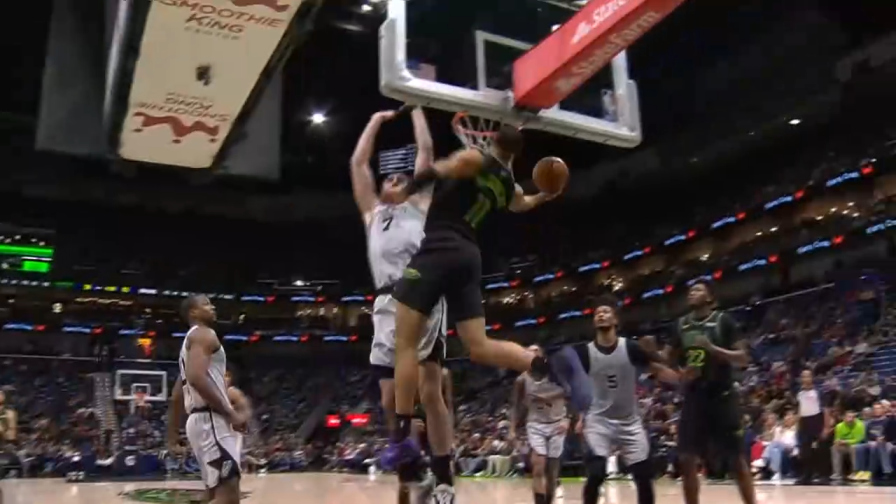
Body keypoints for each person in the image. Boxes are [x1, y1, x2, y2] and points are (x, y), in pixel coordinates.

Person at [386, 117, 587, 502]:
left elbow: (440, 168)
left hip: (439, 245)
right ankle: (540, 363)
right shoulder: (508, 184)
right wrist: (545, 195)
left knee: (406, 343)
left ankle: (401, 436)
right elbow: (523, 204)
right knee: (477, 345)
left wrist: (406, 189)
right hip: (469, 256)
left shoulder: (476, 158)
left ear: (491, 139)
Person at [350, 105, 455, 504]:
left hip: (420, 294)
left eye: (401, 177)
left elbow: (425, 151)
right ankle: (417, 470)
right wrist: (375, 121)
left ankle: (444, 477)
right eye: (388, 177)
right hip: (385, 304)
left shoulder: (419, 206)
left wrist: (415, 109)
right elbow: (358, 164)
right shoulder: (372, 215)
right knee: (389, 399)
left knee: (429, 392)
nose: (393, 179)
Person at [573, 295, 679, 504]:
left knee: (644, 477)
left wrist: (680, 379)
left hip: (628, 420)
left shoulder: (630, 347)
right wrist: (580, 417)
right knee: (596, 474)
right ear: (594, 321)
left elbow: (657, 369)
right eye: (597, 313)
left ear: (615, 320)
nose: (601, 315)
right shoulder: (585, 352)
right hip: (598, 420)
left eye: (606, 312)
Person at [665, 282, 754, 504]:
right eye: (690, 290)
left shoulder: (724, 321)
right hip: (694, 397)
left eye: (698, 290)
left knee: (736, 459)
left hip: (722, 396)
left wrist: (713, 349)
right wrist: (680, 371)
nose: (692, 292)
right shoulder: (680, 325)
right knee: (686, 459)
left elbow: (743, 358)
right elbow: (668, 358)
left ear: (710, 297)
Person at [169, 295, 248, 504]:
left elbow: (176, 396)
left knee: (213, 495)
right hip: (211, 421)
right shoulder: (204, 334)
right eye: (205, 304)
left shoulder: (189, 346)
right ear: (193, 313)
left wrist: (171, 436)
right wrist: (231, 414)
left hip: (200, 422)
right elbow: (196, 378)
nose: (212, 307)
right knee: (229, 496)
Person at [511, 346, 569, 504]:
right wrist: (512, 429)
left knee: (552, 473)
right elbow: (516, 406)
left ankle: (549, 500)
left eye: (536, 351)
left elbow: (571, 395)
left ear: (543, 356)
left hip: (557, 423)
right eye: (529, 351)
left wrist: (568, 419)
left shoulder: (556, 374)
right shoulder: (521, 380)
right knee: (538, 468)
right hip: (535, 424)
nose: (532, 353)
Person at [796, 368, 828, 484]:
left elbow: (826, 410)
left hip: (817, 420)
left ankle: (823, 476)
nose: (805, 379)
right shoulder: (799, 393)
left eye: (807, 376)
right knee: (805, 450)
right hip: (804, 422)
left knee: (820, 450)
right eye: (803, 376)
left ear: (812, 378)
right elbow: (800, 409)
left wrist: (826, 427)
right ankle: (806, 476)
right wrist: (798, 424)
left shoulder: (818, 392)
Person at [225, 369, 251, 472]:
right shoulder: (212, 391)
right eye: (224, 376)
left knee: (233, 454)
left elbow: (245, 409)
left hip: (232, 427)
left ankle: (233, 473)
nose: (225, 379)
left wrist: (241, 421)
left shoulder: (233, 392)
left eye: (227, 376)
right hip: (217, 425)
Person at [832, 410, 865, 481]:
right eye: (849, 417)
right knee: (834, 447)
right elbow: (837, 438)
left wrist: (846, 441)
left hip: (857, 446)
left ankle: (855, 472)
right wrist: (837, 442)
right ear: (844, 418)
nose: (851, 419)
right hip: (845, 446)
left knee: (853, 447)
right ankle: (837, 473)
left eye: (853, 417)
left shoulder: (859, 425)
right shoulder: (839, 426)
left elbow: (859, 439)